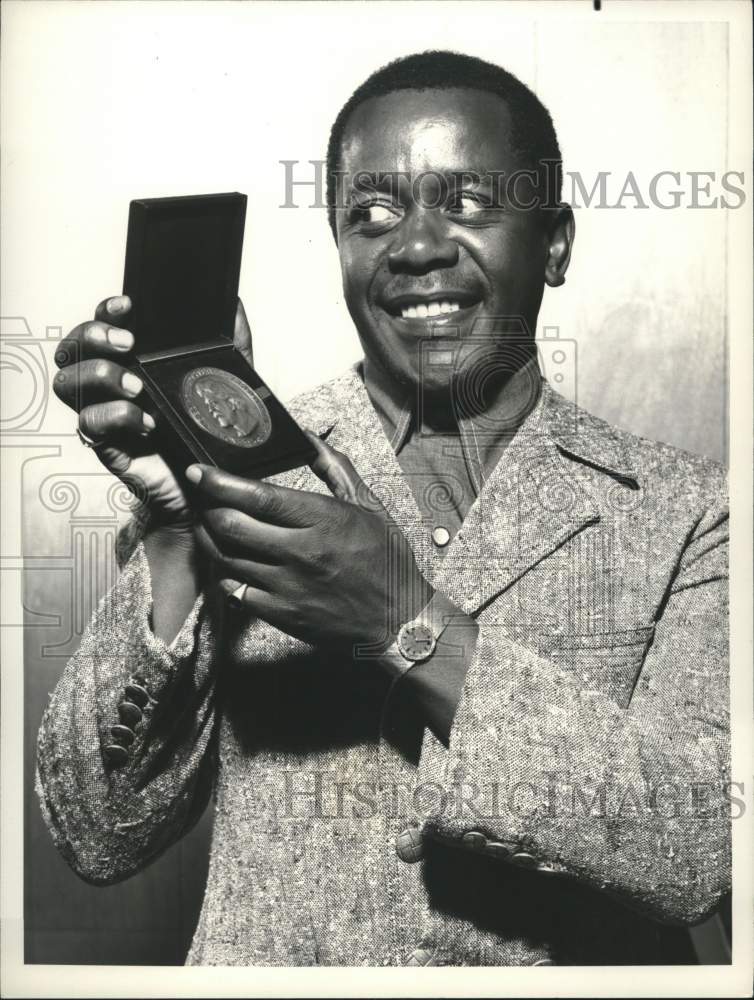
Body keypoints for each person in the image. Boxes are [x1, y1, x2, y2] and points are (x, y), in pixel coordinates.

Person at [36, 50, 730, 966]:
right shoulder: (247, 470)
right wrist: (173, 533)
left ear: (556, 243)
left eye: (470, 201)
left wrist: (408, 620)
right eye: (371, 212)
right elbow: (98, 831)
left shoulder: (689, 513)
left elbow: (702, 843)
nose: (413, 246)